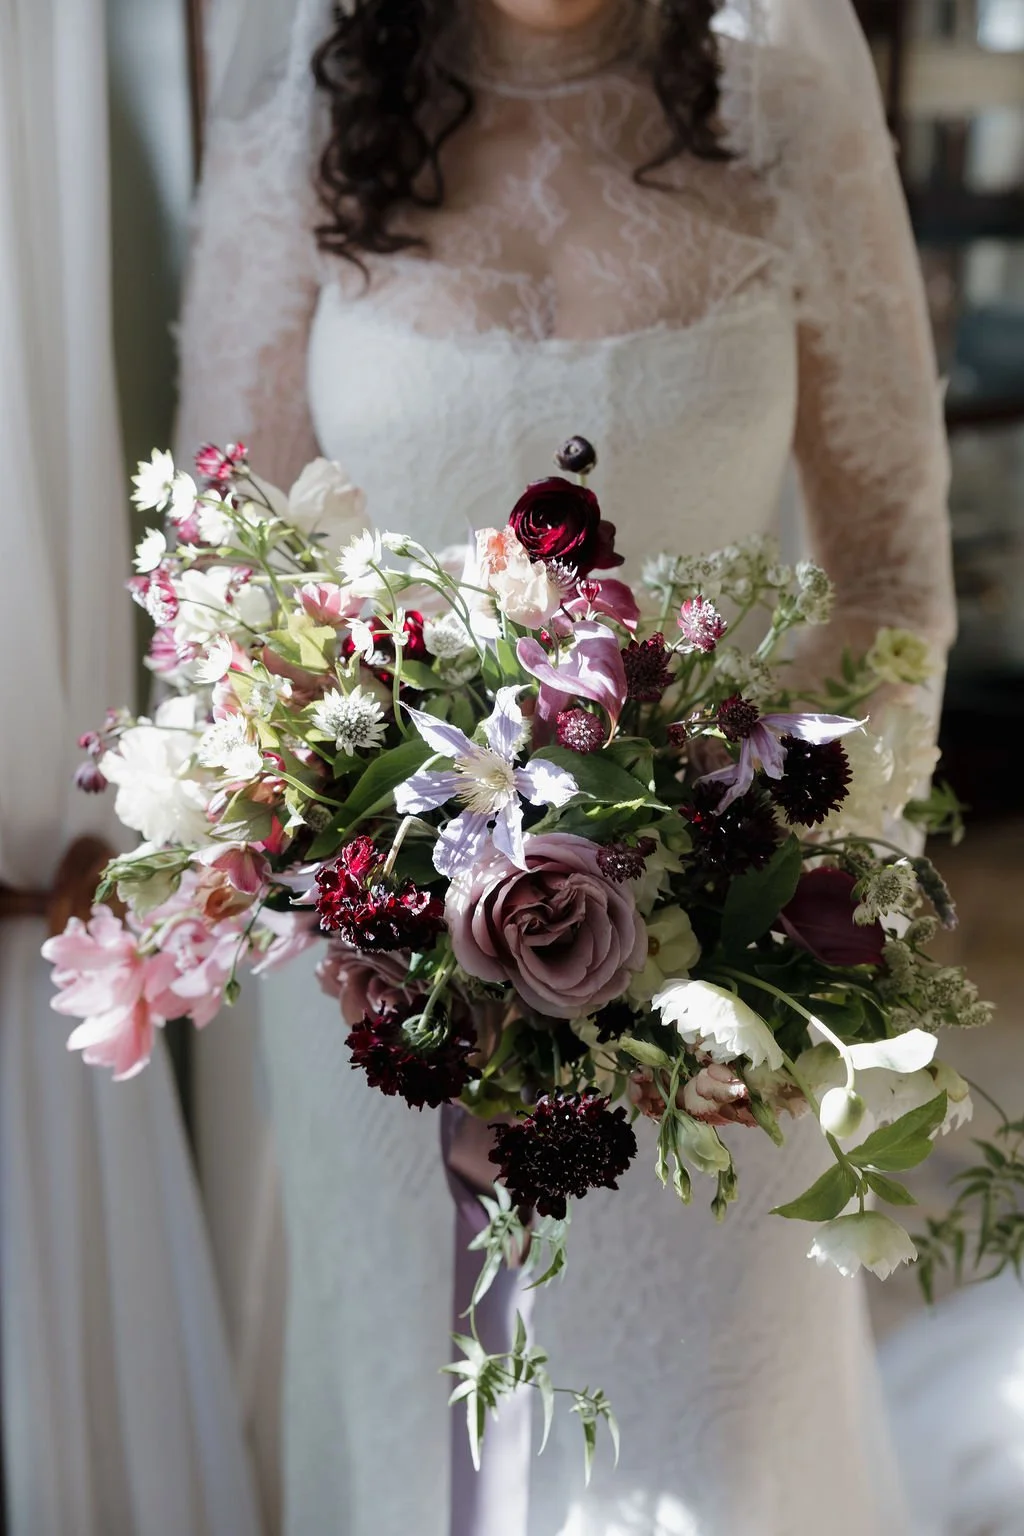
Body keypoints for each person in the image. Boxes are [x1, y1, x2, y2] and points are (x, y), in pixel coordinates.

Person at [176, 0, 956, 1531]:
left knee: (710, 1448)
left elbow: (886, 586)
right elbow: (225, 586)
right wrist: (377, 916)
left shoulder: (785, 101)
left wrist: (745, 885)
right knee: (427, 1441)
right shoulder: (310, 119)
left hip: (722, 964)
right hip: (392, 988)